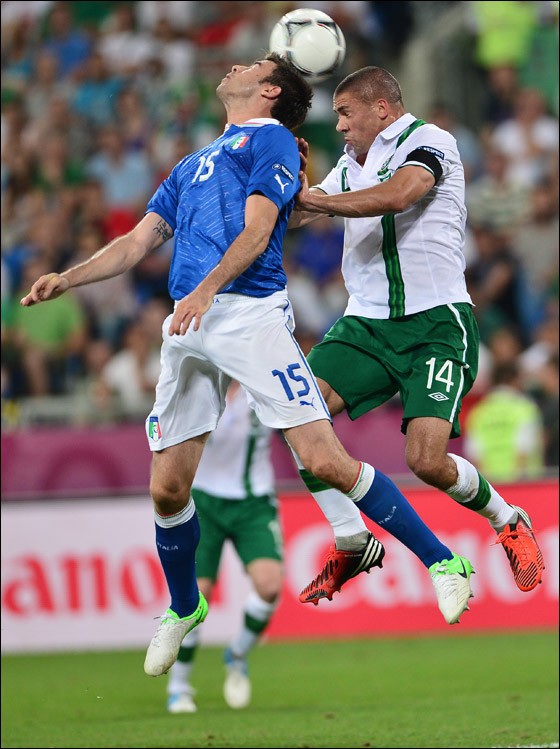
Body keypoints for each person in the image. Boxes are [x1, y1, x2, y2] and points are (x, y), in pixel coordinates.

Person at [20, 54, 475, 681]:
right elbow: (137, 242)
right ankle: (185, 606)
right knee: (167, 488)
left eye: (253, 64)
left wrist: (206, 289)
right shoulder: (193, 162)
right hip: (190, 325)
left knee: (323, 460)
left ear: (268, 91)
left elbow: (261, 230)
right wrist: (68, 278)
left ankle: (442, 560)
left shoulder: (273, 143)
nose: (235, 65)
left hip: (249, 318)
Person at [291, 65, 545, 602]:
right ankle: (350, 538)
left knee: (426, 461)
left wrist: (316, 201)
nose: (339, 125)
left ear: (381, 108)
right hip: (366, 323)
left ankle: (507, 519)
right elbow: (298, 215)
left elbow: (401, 194)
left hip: (435, 323)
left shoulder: (432, 142)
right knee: (297, 415)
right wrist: (287, 186)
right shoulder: (351, 162)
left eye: (345, 113)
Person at [166, 380, 282, 713]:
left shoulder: (263, 379)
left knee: (269, 586)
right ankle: (179, 686)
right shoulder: (197, 381)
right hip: (203, 500)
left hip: (254, 501)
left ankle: (237, 653)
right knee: (195, 596)